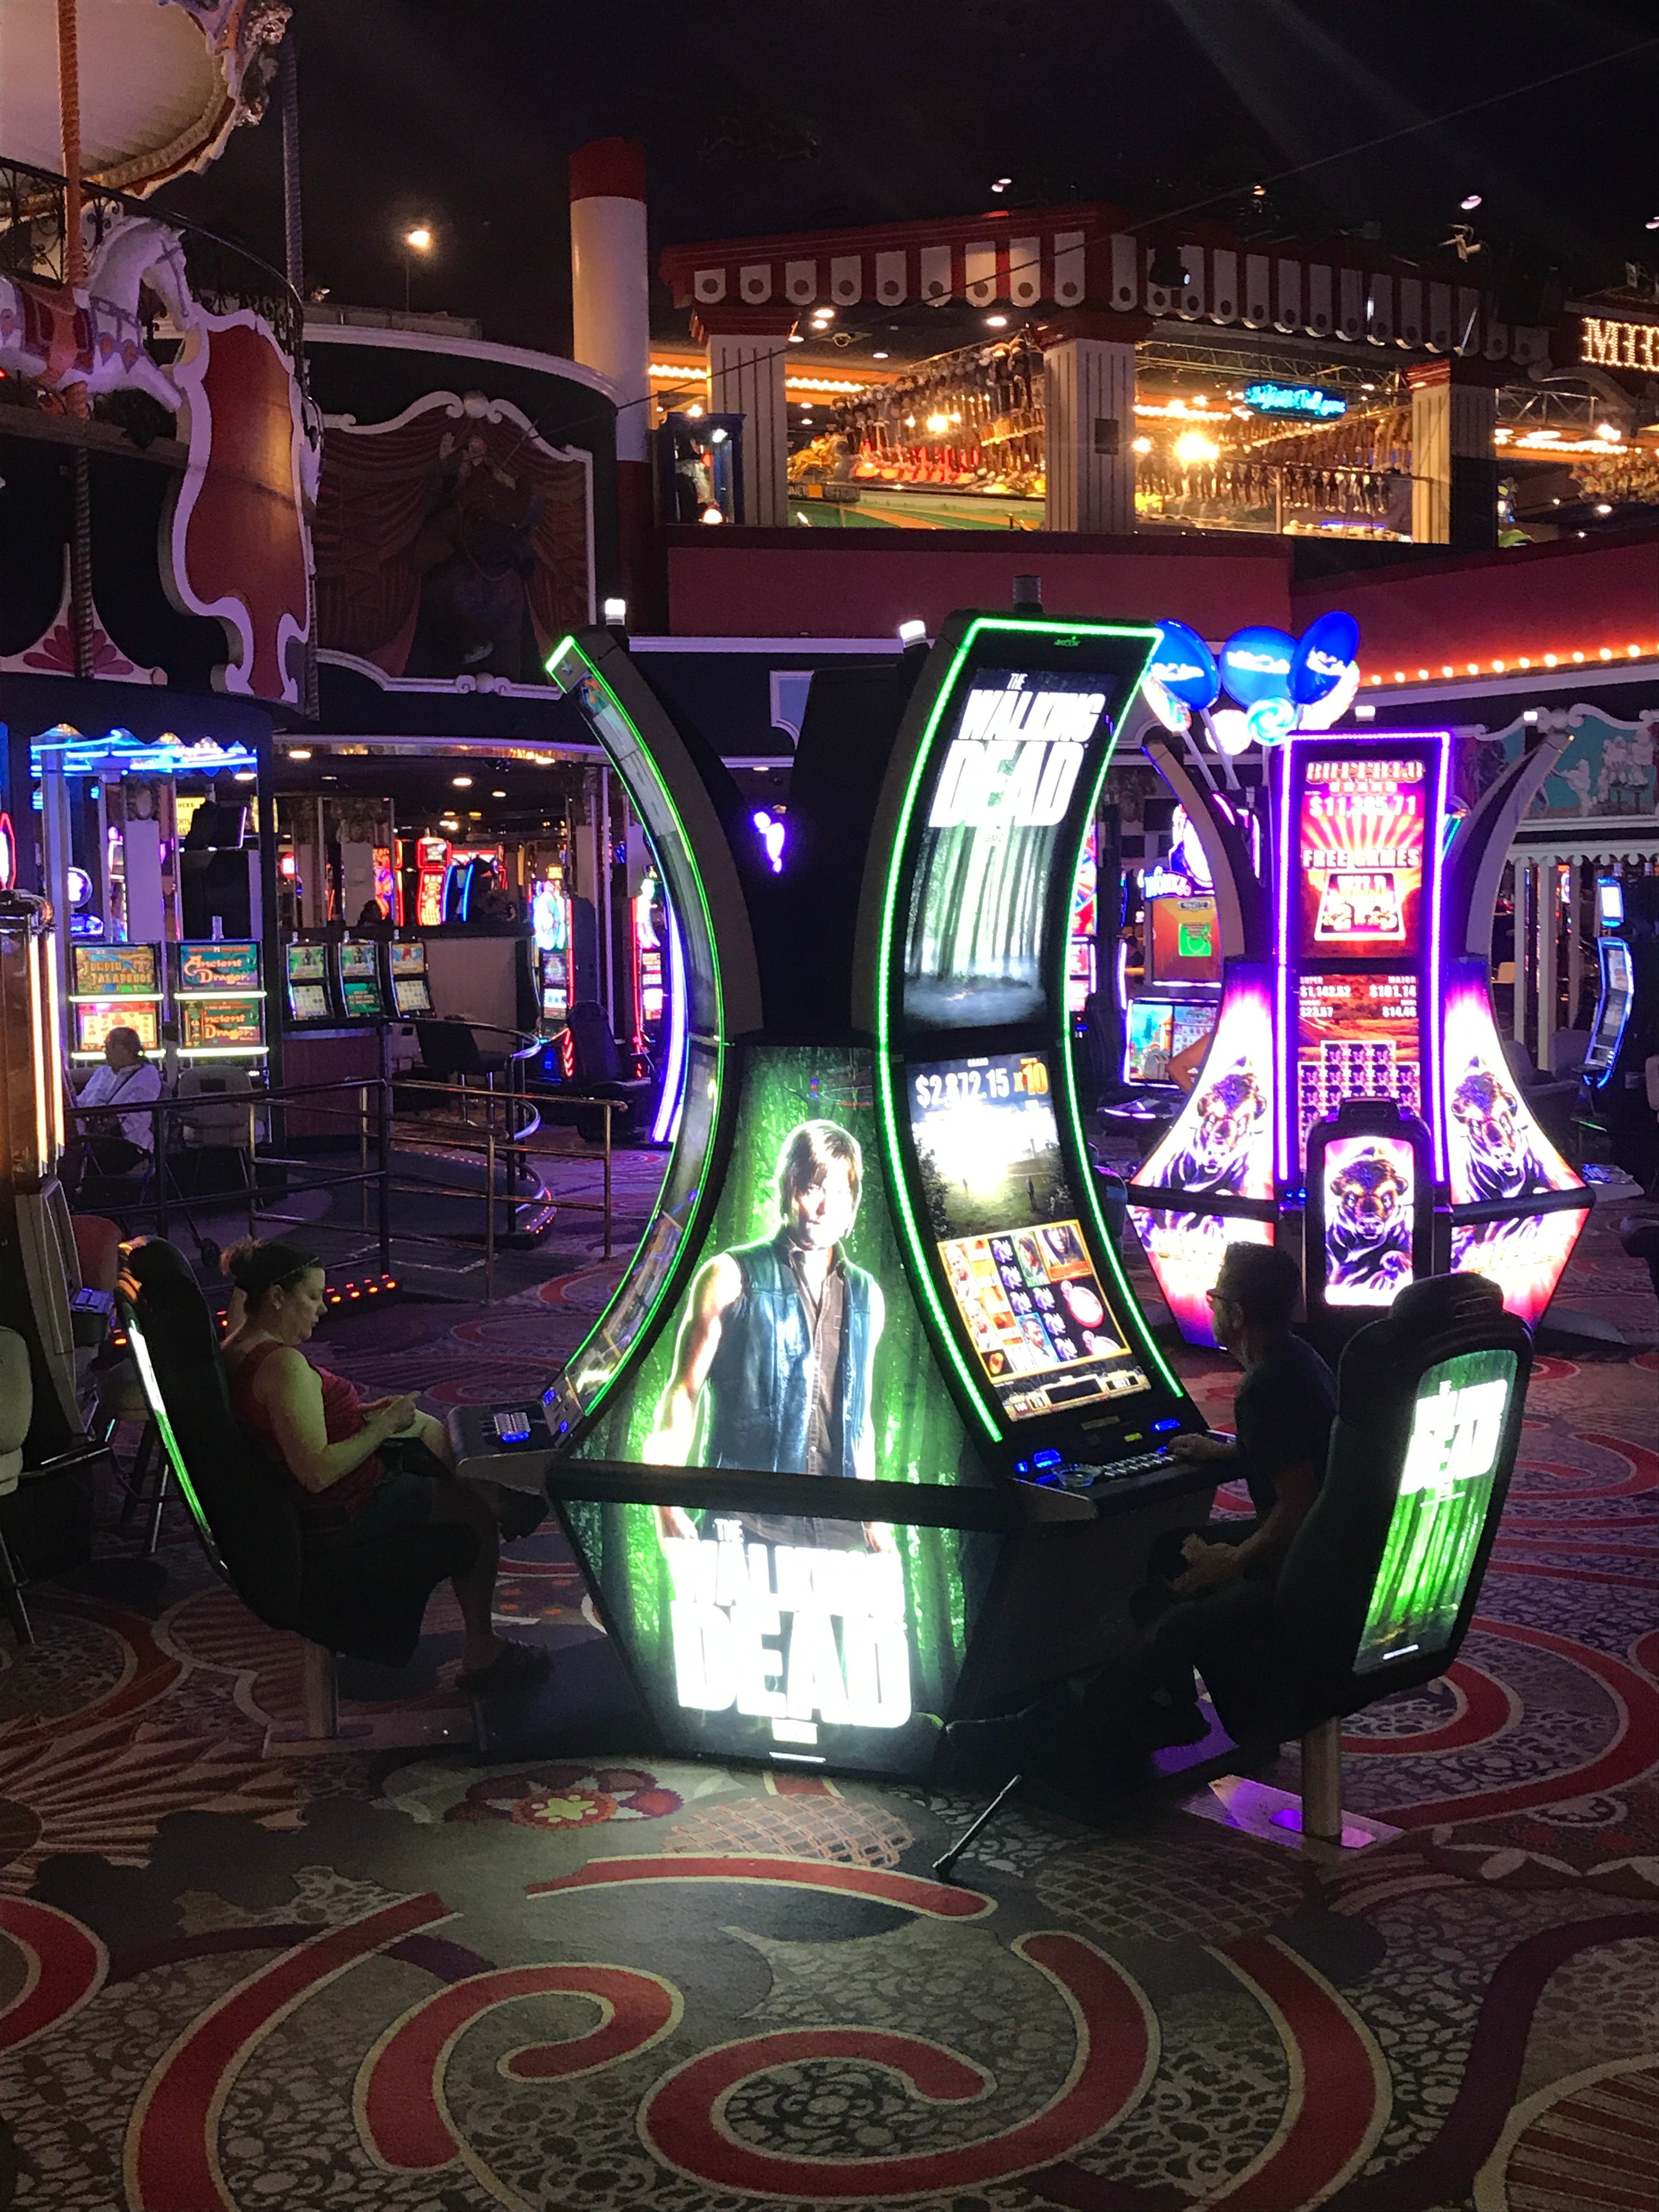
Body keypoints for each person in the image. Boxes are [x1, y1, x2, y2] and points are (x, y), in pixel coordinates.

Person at [946, 1240, 1336, 1795]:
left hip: (1303, 1563)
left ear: (1238, 1313)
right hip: (1328, 1547)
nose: (1212, 1307)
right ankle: (1167, 1709)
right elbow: (1298, 1452)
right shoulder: (1301, 1359)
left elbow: (1298, 1503)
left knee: (1175, 1622)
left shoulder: (1265, 1386)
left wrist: (1233, 1561)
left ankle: (1043, 1735)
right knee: (1171, 1552)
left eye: (1216, 1297)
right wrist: (1225, 1452)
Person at [219, 1238, 550, 1695]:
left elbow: (293, 1430)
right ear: (276, 1297)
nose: (321, 1310)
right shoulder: (282, 1366)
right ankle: (483, 1642)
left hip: (319, 1505)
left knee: (423, 1436)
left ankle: (499, 1498)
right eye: (312, 1297)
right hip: (343, 1512)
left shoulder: (235, 1348)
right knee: (469, 1515)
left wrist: (360, 1419)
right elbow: (315, 1473)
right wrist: (383, 1426)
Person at [646, 1120, 890, 1550]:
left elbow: (859, 1419)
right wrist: (665, 1501)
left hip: (839, 1525)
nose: (824, 1207)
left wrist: (873, 1517)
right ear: (789, 1188)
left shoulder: (867, 1294)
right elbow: (683, 1391)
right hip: (746, 1520)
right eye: (814, 1188)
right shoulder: (729, 1275)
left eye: (838, 1192)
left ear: (853, 1204)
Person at [71, 1026, 164, 1184]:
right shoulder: (103, 1072)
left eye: (111, 1046)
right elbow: (82, 1101)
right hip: (96, 1137)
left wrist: (99, 1119)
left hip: (128, 1144)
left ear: (128, 1050)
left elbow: (130, 1116)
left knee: (74, 1156)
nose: (105, 1051)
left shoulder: (147, 1074)